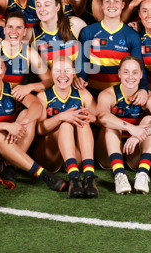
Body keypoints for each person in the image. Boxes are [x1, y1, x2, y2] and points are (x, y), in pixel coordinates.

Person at [0, 50, 65, 191]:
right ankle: (43, 174)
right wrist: (7, 126)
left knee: (26, 113)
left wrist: (21, 123)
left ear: (5, 68)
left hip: (7, 152)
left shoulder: (12, 89)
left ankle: (10, 167)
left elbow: (36, 106)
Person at [95, 56, 151, 195]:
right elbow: (102, 117)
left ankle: (142, 173)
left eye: (135, 72)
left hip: (135, 153)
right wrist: (130, 128)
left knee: (149, 119)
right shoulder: (108, 94)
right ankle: (119, 175)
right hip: (108, 155)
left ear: (141, 75)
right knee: (111, 122)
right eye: (126, 72)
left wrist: (136, 137)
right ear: (119, 73)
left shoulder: (150, 97)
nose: (130, 76)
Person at [34, 57, 98, 198]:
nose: (62, 75)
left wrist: (92, 117)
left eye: (67, 71)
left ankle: (88, 177)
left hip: (76, 157)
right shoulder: (43, 97)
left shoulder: (83, 94)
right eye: (57, 71)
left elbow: (98, 118)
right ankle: (74, 178)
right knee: (65, 123)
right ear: (51, 74)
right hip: (50, 154)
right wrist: (61, 117)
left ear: (74, 73)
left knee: (83, 121)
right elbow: (39, 130)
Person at [79, 0, 147, 99]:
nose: (111, 5)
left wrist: (144, 89)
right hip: (92, 93)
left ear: (122, 5)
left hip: (120, 95)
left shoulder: (132, 36)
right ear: (102, 5)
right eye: (107, 1)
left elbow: (139, 68)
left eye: (116, 1)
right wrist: (79, 80)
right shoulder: (88, 32)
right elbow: (82, 66)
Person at [0, 11, 52, 98]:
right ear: (4, 30)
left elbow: (49, 80)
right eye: (10, 27)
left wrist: (30, 87)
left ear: (25, 31)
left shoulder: (29, 53)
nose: (13, 31)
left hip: (15, 100)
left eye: (18, 27)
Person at [32, 0, 86, 67]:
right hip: (52, 79)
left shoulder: (75, 24)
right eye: (38, 6)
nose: (42, 9)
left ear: (58, 7)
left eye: (47, 5)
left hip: (78, 77)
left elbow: (91, 54)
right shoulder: (32, 33)